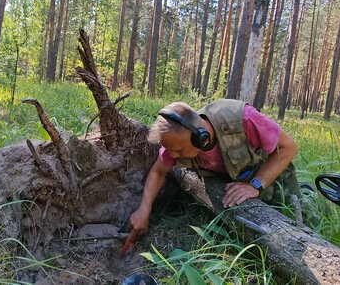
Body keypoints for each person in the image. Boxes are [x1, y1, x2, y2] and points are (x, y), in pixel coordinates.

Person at [129, 99, 302, 238]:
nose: (173, 156)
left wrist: (256, 185)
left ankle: (311, 197)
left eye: (179, 150)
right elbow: (158, 171)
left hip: (277, 180)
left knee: (300, 223)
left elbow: (288, 147)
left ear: (200, 138)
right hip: (237, 183)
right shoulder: (175, 143)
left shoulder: (242, 118)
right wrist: (144, 208)